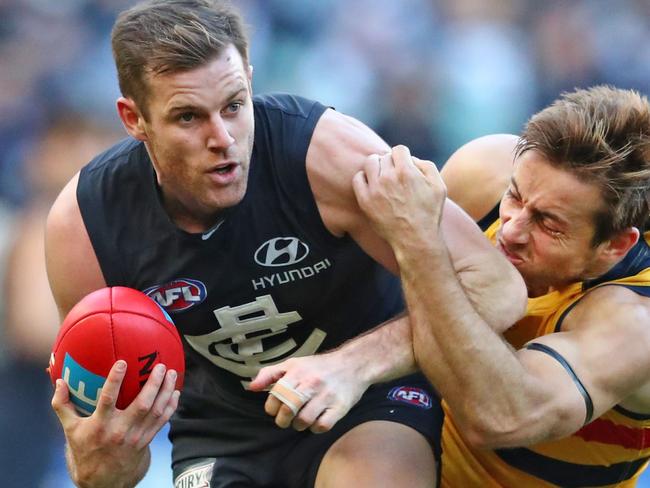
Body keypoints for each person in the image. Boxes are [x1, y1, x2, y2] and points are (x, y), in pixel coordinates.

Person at [44, 1, 525, 487]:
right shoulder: (84, 225)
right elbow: (108, 458)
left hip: (370, 396)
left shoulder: (327, 157)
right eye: (188, 117)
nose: (223, 138)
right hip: (222, 428)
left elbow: (497, 287)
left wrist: (351, 365)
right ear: (134, 118)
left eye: (235, 105)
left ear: (251, 80)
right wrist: (100, 463)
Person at [352, 85, 650, 487]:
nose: (510, 230)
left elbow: (501, 417)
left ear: (615, 246)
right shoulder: (485, 169)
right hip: (406, 441)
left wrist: (420, 244)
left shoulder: (633, 322)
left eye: (548, 224)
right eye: (515, 195)